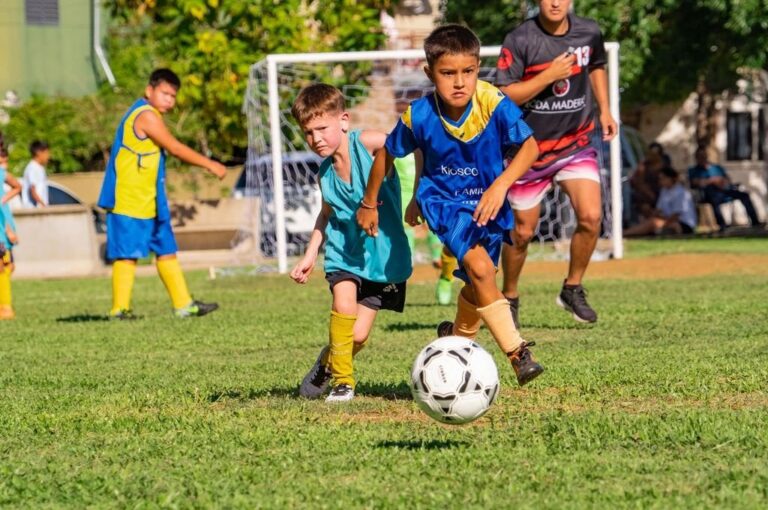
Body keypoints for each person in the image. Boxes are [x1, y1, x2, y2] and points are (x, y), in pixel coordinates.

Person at [356, 24, 544, 386]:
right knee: (481, 270)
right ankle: (518, 352)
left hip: (488, 203)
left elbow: (530, 147)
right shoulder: (419, 115)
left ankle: (455, 341)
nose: (459, 82)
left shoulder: (492, 102)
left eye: (468, 72)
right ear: (430, 74)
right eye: (447, 73)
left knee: (478, 283)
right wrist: (370, 203)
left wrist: (501, 186)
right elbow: (386, 155)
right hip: (444, 202)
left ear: (477, 69)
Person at [495, 0, 618, 325]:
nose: (555, 2)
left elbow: (596, 66)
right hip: (528, 150)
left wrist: (605, 108)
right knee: (521, 233)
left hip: (576, 142)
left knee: (591, 217)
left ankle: (572, 287)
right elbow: (505, 95)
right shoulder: (520, 39)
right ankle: (509, 296)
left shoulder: (588, 31)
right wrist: (547, 76)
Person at [290, 83, 412, 403]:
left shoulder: (368, 143)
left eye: (322, 128)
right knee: (342, 306)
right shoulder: (325, 174)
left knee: (357, 334)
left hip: (380, 257)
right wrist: (310, 253)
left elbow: (403, 144)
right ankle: (343, 382)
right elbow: (326, 214)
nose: (316, 139)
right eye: (308, 132)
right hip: (344, 252)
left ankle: (327, 362)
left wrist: (424, 191)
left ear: (343, 120)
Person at [97, 69, 226, 319]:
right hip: (129, 200)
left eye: (173, 95)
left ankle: (184, 305)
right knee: (127, 254)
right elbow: (175, 148)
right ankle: (119, 309)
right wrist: (210, 164)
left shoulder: (153, 114)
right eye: (165, 93)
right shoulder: (145, 115)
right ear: (149, 91)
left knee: (166, 250)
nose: (170, 99)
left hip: (152, 200)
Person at [393, 153, 458, 305]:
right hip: (404, 192)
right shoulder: (397, 141)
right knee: (405, 228)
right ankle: (406, 262)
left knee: (443, 234)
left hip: (437, 190)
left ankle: (445, 275)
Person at [687, 146, 760, 230]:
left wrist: (721, 182)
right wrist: (712, 180)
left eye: (703, 155)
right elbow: (695, 182)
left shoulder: (716, 167)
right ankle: (722, 225)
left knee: (744, 195)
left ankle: (755, 222)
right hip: (707, 194)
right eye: (700, 156)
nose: (702, 158)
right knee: (713, 196)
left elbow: (727, 180)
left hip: (724, 191)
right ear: (696, 157)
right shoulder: (693, 170)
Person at [624, 167, 697, 236]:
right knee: (649, 221)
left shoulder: (682, 193)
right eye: (660, 179)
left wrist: (662, 222)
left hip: (683, 223)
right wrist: (650, 215)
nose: (661, 181)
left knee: (655, 223)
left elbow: (676, 215)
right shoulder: (664, 191)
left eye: (663, 178)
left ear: (672, 178)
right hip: (668, 220)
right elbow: (658, 209)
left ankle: (625, 233)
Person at [0, 148, 22, 319]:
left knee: (6, 266)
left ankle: (5, 308)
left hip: (2, 229)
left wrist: (8, 230)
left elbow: (17, 186)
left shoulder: (1, 173)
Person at [630, 142, 669, 221]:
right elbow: (637, 181)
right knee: (643, 204)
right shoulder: (643, 166)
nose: (653, 156)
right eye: (651, 153)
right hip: (646, 195)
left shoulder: (665, 167)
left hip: (662, 194)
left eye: (655, 154)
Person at [21, 140, 50, 208]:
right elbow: (33, 191)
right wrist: (44, 206)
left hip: (39, 208)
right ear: (38, 152)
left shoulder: (40, 168)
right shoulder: (33, 168)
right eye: (46, 153)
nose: (48, 156)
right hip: (34, 209)